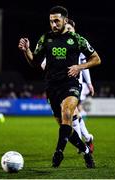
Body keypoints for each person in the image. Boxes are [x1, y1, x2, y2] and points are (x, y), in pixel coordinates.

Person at [18, 6, 101, 168]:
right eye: (51, 21)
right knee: (65, 127)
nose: (54, 24)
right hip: (51, 86)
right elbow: (34, 62)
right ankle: (85, 150)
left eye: (57, 21)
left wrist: (79, 67)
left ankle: (58, 152)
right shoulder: (45, 39)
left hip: (71, 84)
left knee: (67, 112)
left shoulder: (77, 39)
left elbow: (96, 59)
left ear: (64, 20)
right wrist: (26, 50)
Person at [41, 20, 95, 153]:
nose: (69, 31)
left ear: (74, 30)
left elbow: (87, 65)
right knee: (73, 115)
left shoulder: (78, 43)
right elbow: (45, 62)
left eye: (71, 29)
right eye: (68, 28)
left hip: (76, 84)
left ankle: (82, 145)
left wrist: (89, 83)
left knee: (72, 114)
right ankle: (87, 139)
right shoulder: (57, 42)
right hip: (59, 84)